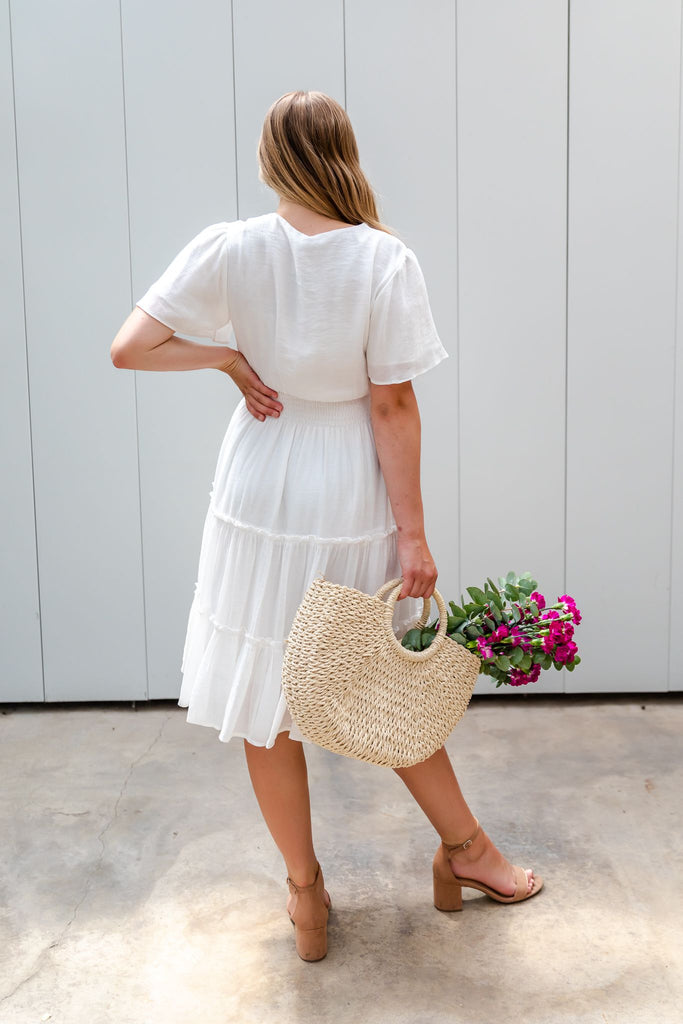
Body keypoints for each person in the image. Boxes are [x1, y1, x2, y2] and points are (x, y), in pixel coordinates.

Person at [111, 90, 542, 963]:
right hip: (346, 485)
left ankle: (306, 897)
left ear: (272, 160)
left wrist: (228, 356)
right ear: (345, 153)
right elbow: (389, 403)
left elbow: (130, 346)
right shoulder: (383, 260)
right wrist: (413, 537)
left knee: (267, 697)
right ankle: (470, 855)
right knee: (374, 680)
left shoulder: (228, 246)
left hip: (261, 475)